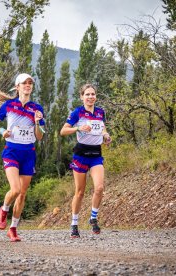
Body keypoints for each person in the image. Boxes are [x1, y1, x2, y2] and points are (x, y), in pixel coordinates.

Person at [0, 73, 45, 242]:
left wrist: (36, 122)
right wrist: (1, 131)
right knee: (15, 189)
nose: (28, 85)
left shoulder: (37, 109)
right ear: (17, 86)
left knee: (22, 194)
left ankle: (13, 228)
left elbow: (40, 137)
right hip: (12, 151)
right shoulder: (8, 105)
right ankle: (4, 210)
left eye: (30, 83)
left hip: (28, 153)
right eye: (24, 83)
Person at [60, 84, 112, 238]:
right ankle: (74, 224)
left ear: (96, 96)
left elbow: (102, 128)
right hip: (81, 154)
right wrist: (78, 128)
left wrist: (106, 135)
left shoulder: (100, 112)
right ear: (82, 97)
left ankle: (93, 217)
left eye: (93, 94)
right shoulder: (77, 112)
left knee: (99, 188)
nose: (90, 97)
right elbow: (63, 131)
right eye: (87, 94)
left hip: (96, 154)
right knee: (80, 192)